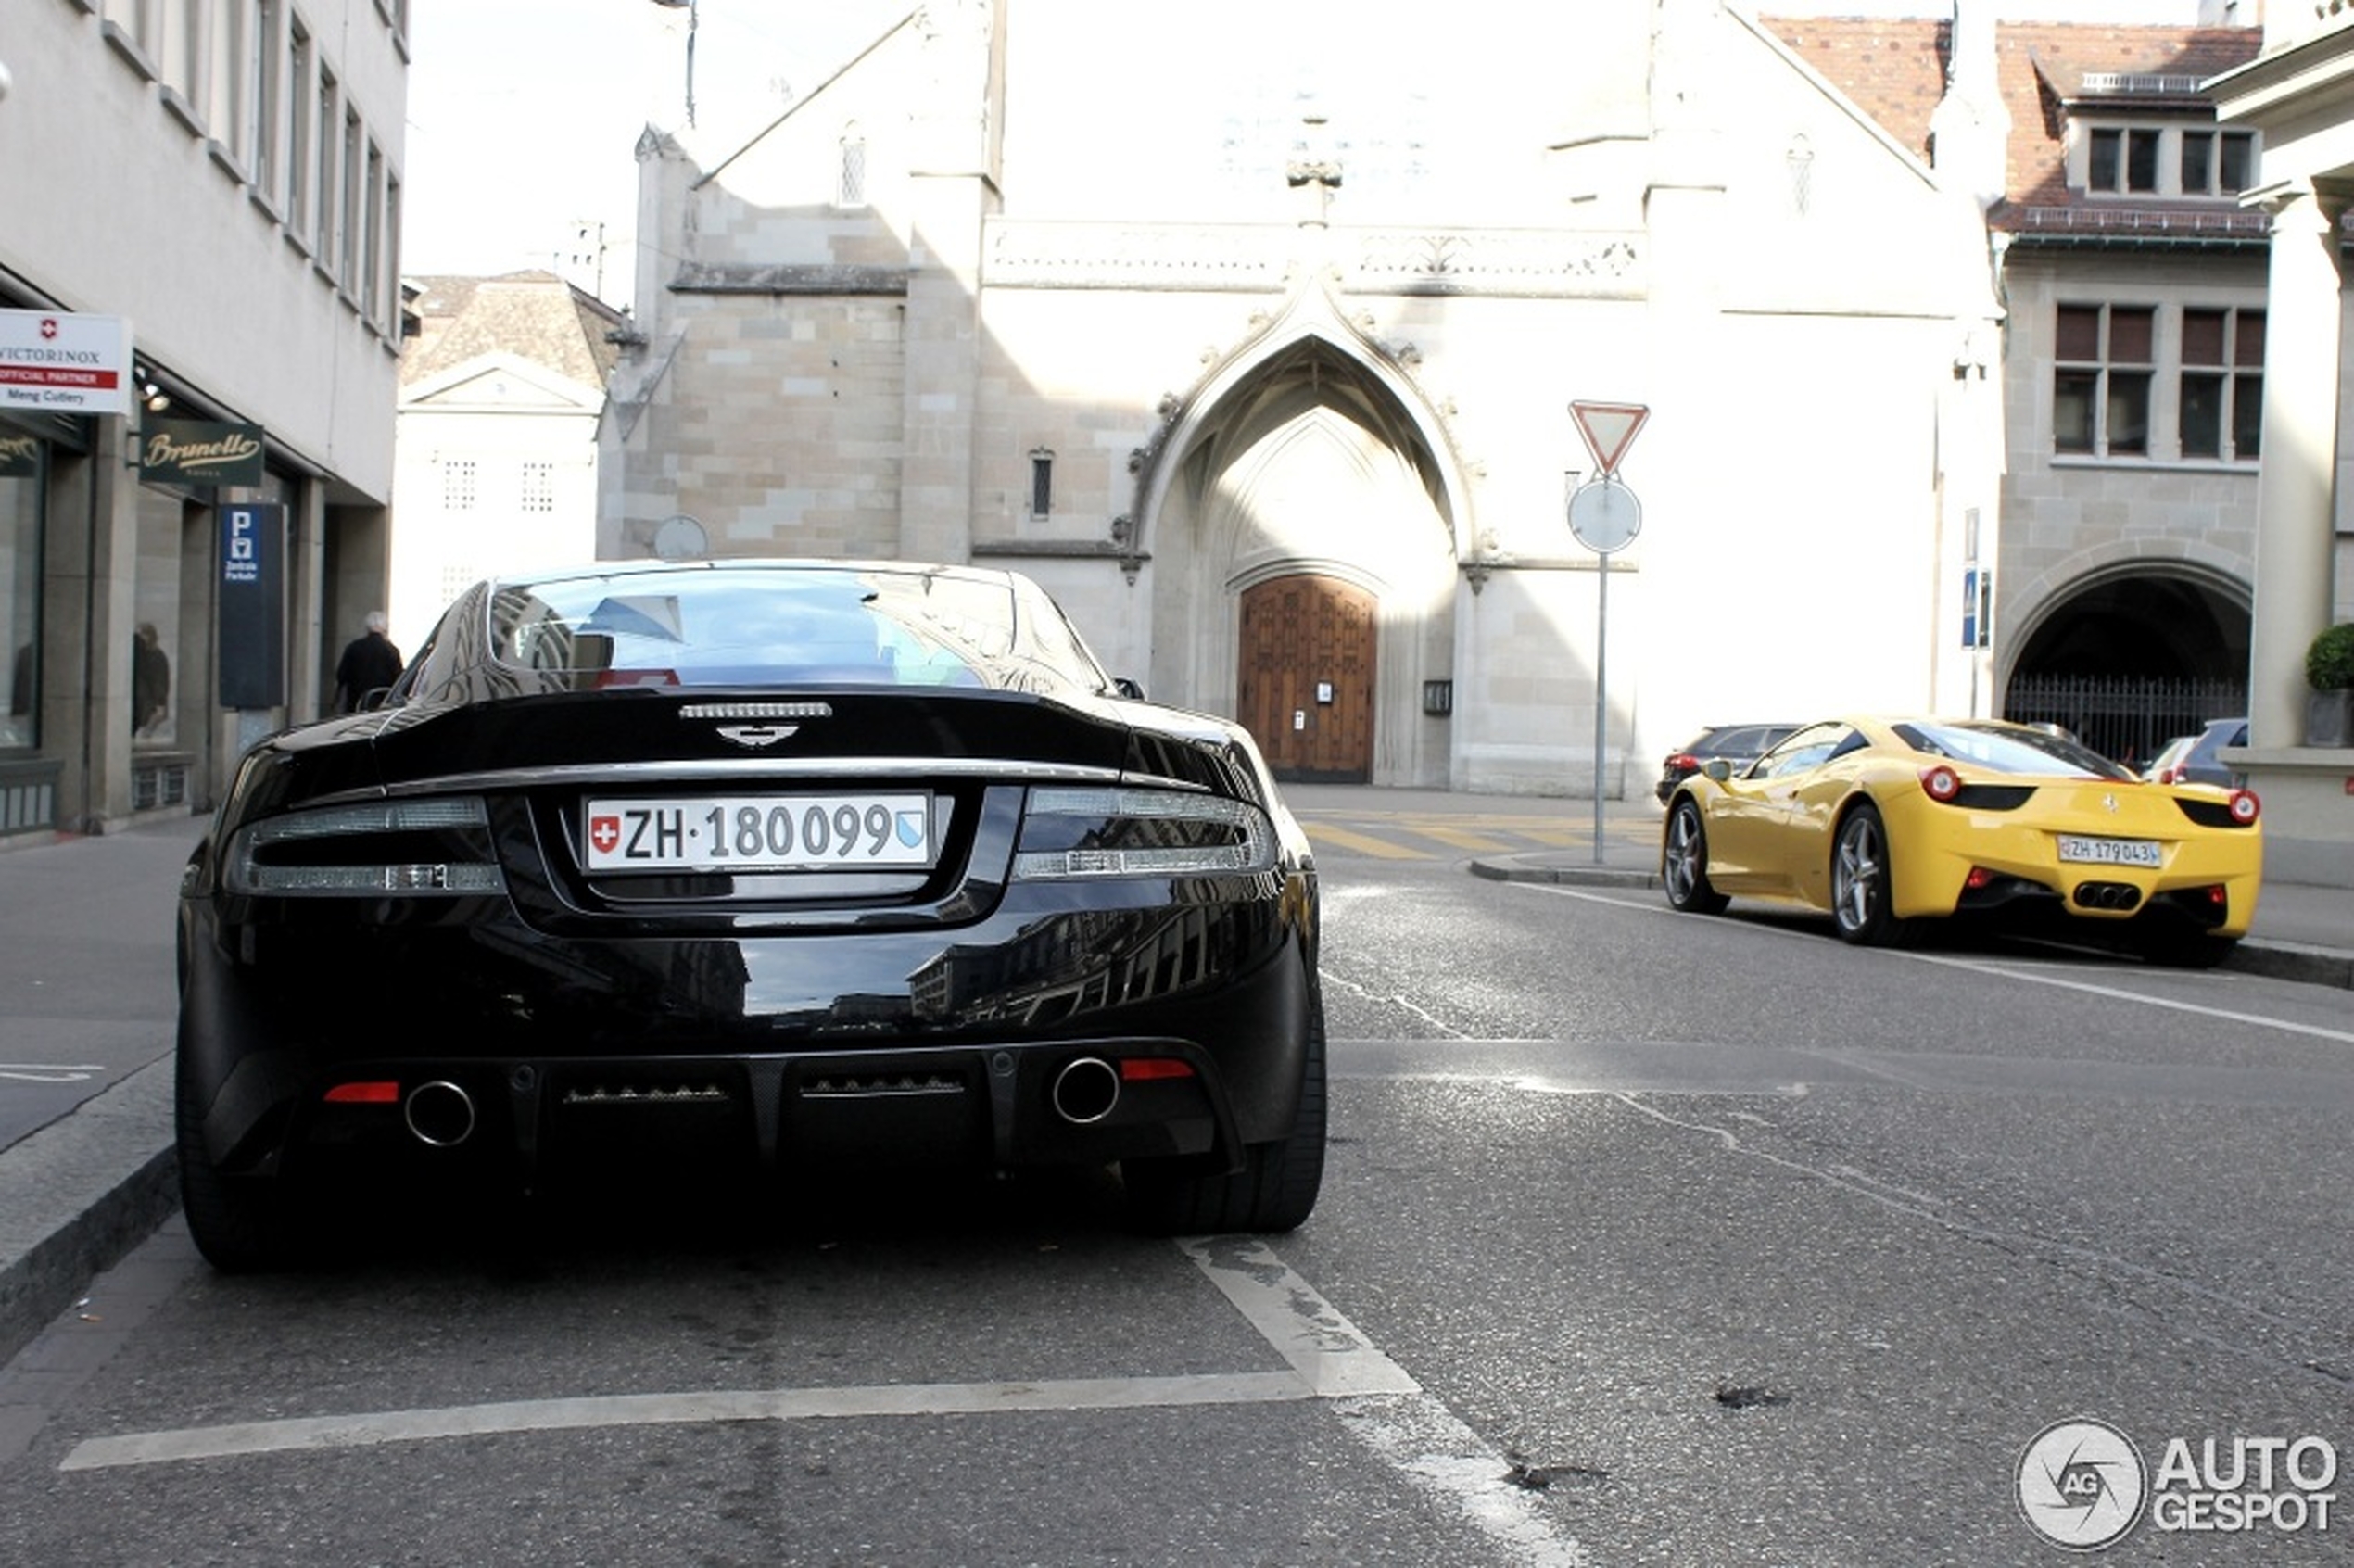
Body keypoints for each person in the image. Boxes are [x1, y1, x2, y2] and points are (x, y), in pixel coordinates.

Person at [335, 611, 404, 713]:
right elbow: (398, 679)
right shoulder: (392, 650)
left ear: (367, 627)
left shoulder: (353, 647)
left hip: (356, 702)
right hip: (381, 703)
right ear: (385, 628)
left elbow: (341, 675)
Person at [133, 621, 171, 736]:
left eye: (142, 635)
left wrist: (160, 702)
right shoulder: (144, 654)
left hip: (149, 700)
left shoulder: (155, 655)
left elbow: (159, 680)